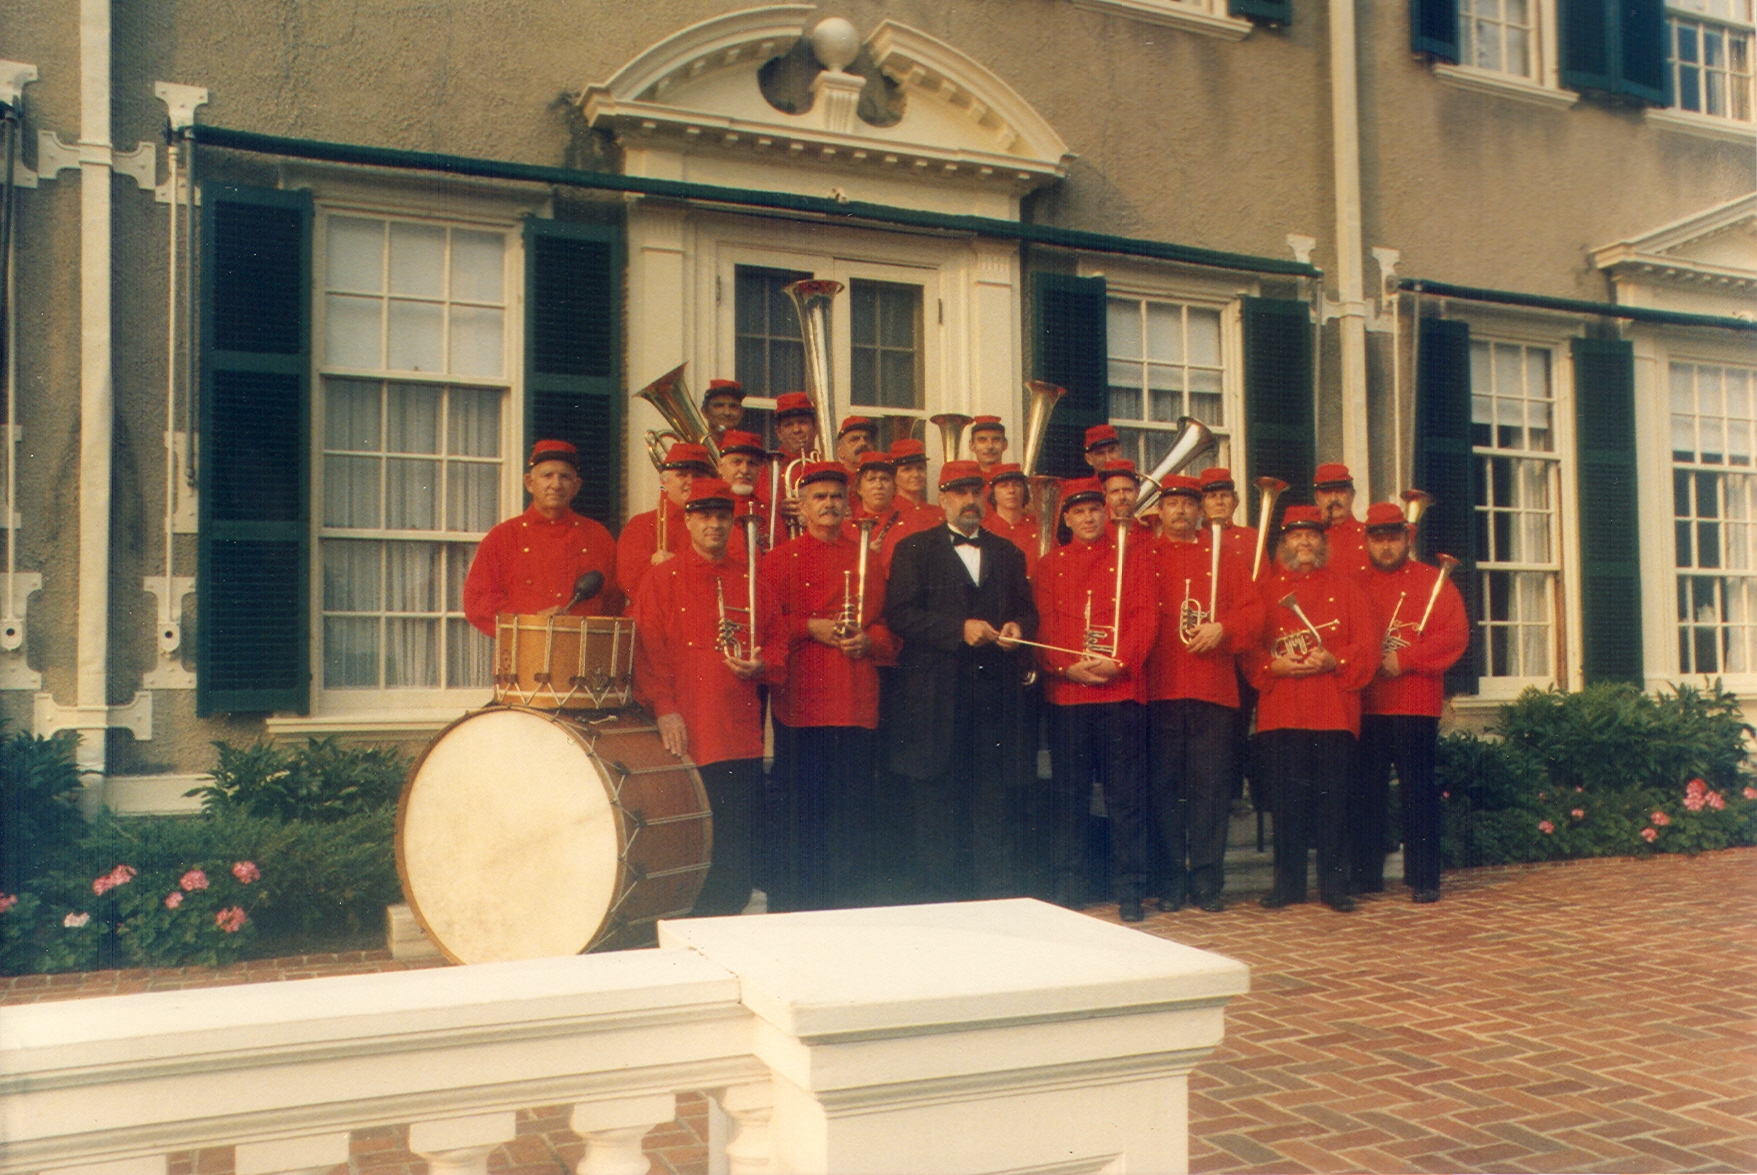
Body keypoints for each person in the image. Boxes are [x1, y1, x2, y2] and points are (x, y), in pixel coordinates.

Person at [884, 460, 1038, 901]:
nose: (969, 500)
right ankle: (940, 907)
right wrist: (958, 630)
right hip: (935, 703)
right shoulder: (914, 549)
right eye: (959, 492)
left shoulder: (1009, 553)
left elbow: (1027, 611)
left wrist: (1016, 629)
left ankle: (995, 902)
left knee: (993, 805)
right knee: (937, 806)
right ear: (944, 498)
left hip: (994, 704)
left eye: (976, 492)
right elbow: (900, 615)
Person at [633, 477, 782, 916]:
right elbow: (647, 652)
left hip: (739, 730)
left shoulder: (752, 580)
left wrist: (763, 665)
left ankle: (729, 922)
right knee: (691, 834)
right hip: (687, 730)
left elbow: (776, 641)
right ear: (689, 521)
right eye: (705, 516)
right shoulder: (661, 579)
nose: (714, 525)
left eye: (722, 517)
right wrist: (665, 710)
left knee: (736, 838)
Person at [762, 462, 898, 912]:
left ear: (849, 503)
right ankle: (797, 904)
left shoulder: (866, 557)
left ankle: (848, 904)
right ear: (800, 507)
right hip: (800, 700)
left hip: (854, 698)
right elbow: (765, 625)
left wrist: (868, 640)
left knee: (852, 810)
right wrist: (809, 626)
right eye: (818, 497)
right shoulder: (778, 559)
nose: (829, 505)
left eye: (836, 497)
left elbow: (886, 626)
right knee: (800, 809)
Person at [1242, 506, 1382, 912]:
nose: (1304, 542)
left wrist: (1334, 660)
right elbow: (1248, 649)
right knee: (1287, 804)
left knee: (1334, 803)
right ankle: (1288, 885)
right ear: (1284, 543)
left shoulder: (1348, 588)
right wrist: (1274, 665)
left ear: (1324, 542)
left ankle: (1335, 886)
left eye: (1312, 536)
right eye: (1296, 536)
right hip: (1283, 710)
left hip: (1333, 712)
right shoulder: (1266, 591)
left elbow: (1368, 646)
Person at [1033, 478, 1158, 921]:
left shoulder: (1132, 558)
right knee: (1070, 797)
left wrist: (1120, 662)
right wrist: (1064, 667)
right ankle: (1070, 888)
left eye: (1094, 510)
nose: (1088, 518)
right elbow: (1043, 625)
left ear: (1106, 513)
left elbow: (1145, 616)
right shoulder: (1049, 565)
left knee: (1125, 797)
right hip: (1068, 694)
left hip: (1120, 692)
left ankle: (1130, 891)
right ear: (1065, 519)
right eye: (1078, 511)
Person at [1144, 475, 1265, 913]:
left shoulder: (1226, 558)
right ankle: (1171, 880)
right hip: (1159, 690)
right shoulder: (1143, 556)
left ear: (1201, 510)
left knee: (1210, 789)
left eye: (1187, 504)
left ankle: (1208, 879)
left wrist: (1223, 628)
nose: (1179, 511)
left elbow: (1254, 613)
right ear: (1159, 510)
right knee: (1164, 789)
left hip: (1213, 690)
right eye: (1171, 503)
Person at [1354, 501, 1469, 903]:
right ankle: (1366, 874)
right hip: (1367, 702)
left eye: (1393, 538)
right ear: (1367, 540)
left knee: (1418, 791)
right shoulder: (1355, 583)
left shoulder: (1433, 581)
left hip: (1414, 701)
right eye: (1378, 539)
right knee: (1366, 792)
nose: (1386, 547)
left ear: (1408, 537)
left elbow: (1454, 635)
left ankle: (1424, 877)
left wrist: (1404, 658)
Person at [463, 440, 621, 634]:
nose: (556, 484)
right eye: (547, 475)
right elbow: (478, 602)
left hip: (582, 655)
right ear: (530, 483)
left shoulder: (598, 537)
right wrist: (532, 621)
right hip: (522, 654)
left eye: (564, 476)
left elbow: (615, 603)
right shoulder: (503, 537)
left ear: (576, 486)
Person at [617, 442, 718, 602]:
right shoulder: (641, 525)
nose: (690, 481)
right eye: (682, 474)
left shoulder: (721, 526)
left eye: (697, 476)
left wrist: (675, 564)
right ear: (664, 482)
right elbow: (632, 582)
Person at [759, 391, 821, 546]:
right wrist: (777, 507)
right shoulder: (766, 469)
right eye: (788, 425)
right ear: (779, 432)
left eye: (802, 422)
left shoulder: (824, 464)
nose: (796, 430)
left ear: (815, 427)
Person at [981, 463, 1039, 577]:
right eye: (1004, 485)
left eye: (1017, 485)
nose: (1011, 490)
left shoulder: (1039, 532)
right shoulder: (982, 531)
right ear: (993, 493)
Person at [717, 429, 770, 550]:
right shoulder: (707, 509)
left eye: (752, 463)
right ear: (720, 467)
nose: (745, 470)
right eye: (737, 462)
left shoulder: (769, 512)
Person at [1314, 463, 1369, 578]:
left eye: (1340, 491)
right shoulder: (1307, 539)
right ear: (1317, 498)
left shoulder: (1370, 536)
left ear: (1352, 495)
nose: (1334, 499)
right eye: (1327, 492)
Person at [1200, 467, 1258, 567]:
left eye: (1225, 495)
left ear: (1234, 501)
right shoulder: (1195, 538)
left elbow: (1263, 578)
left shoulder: (1250, 536)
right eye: (1212, 496)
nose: (1219, 502)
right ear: (1202, 504)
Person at [702, 379, 745, 444]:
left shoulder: (747, 449)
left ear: (741, 413)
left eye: (733, 406)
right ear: (705, 412)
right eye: (719, 405)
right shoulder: (694, 446)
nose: (727, 412)